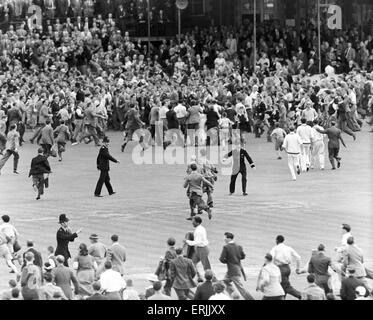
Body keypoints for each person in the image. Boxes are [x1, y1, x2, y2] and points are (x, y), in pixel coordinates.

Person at [219, 232, 254, 300]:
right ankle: (234, 295)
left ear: (229, 238)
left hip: (233, 271)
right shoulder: (239, 246)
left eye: (225, 238)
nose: (224, 239)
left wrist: (229, 261)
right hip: (235, 269)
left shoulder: (226, 247)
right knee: (224, 281)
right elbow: (243, 256)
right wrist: (235, 259)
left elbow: (221, 259)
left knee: (240, 288)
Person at [270, 235, 302, 300]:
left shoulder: (275, 248)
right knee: (283, 285)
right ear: (283, 241)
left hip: (280, 269)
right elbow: (298, 258)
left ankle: (301, 295)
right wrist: (298, 268)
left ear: (277, 240)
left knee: (286, 286)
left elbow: (270, 257)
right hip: (287, 268)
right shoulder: (289, 248)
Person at [185, 217, 212, 283]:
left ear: (197, 222)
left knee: (206, 266)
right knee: (192, 263)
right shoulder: (200, 228)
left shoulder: (199, 231)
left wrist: (187, 241)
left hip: (202, 249)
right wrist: (191, 218)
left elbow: (197, 242)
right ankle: (198, 277)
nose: (192, 223)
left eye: (193, 222)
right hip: (198, 249)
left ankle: (211, 279)